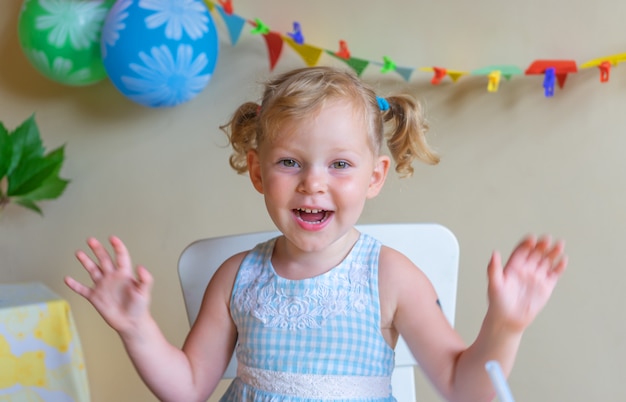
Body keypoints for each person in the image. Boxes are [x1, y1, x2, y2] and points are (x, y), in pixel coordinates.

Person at [65, 66, 567, 402]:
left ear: (375, 176)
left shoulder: (391, 276)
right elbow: (188, 387)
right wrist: (136, 329)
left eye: (340, 164)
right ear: (258, 172)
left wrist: (505, 326)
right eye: (290, 162)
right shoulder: (237, 276)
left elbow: (463, 386)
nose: (313, 183)